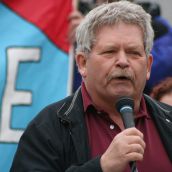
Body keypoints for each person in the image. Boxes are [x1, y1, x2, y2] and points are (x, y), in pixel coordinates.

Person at [10, 1, 172, 172]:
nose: (123, 62)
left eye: (134, 53)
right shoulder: (47, 129)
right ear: (82, 63)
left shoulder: (168, 123)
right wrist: (101, 167)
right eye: (110, 51)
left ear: (148, 66)